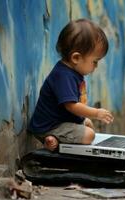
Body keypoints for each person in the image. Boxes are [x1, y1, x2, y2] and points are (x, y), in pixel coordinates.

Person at [28, 18, 114, 151]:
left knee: (88, 124)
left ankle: (54, 141)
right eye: (95, 62)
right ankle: (51, 138)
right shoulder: (63, 75)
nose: (96, 67)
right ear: (76, 58)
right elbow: (71, 106)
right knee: (89, 135)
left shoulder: (73, 72)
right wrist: (96, 113)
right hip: (49, 126)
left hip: (62, 121)